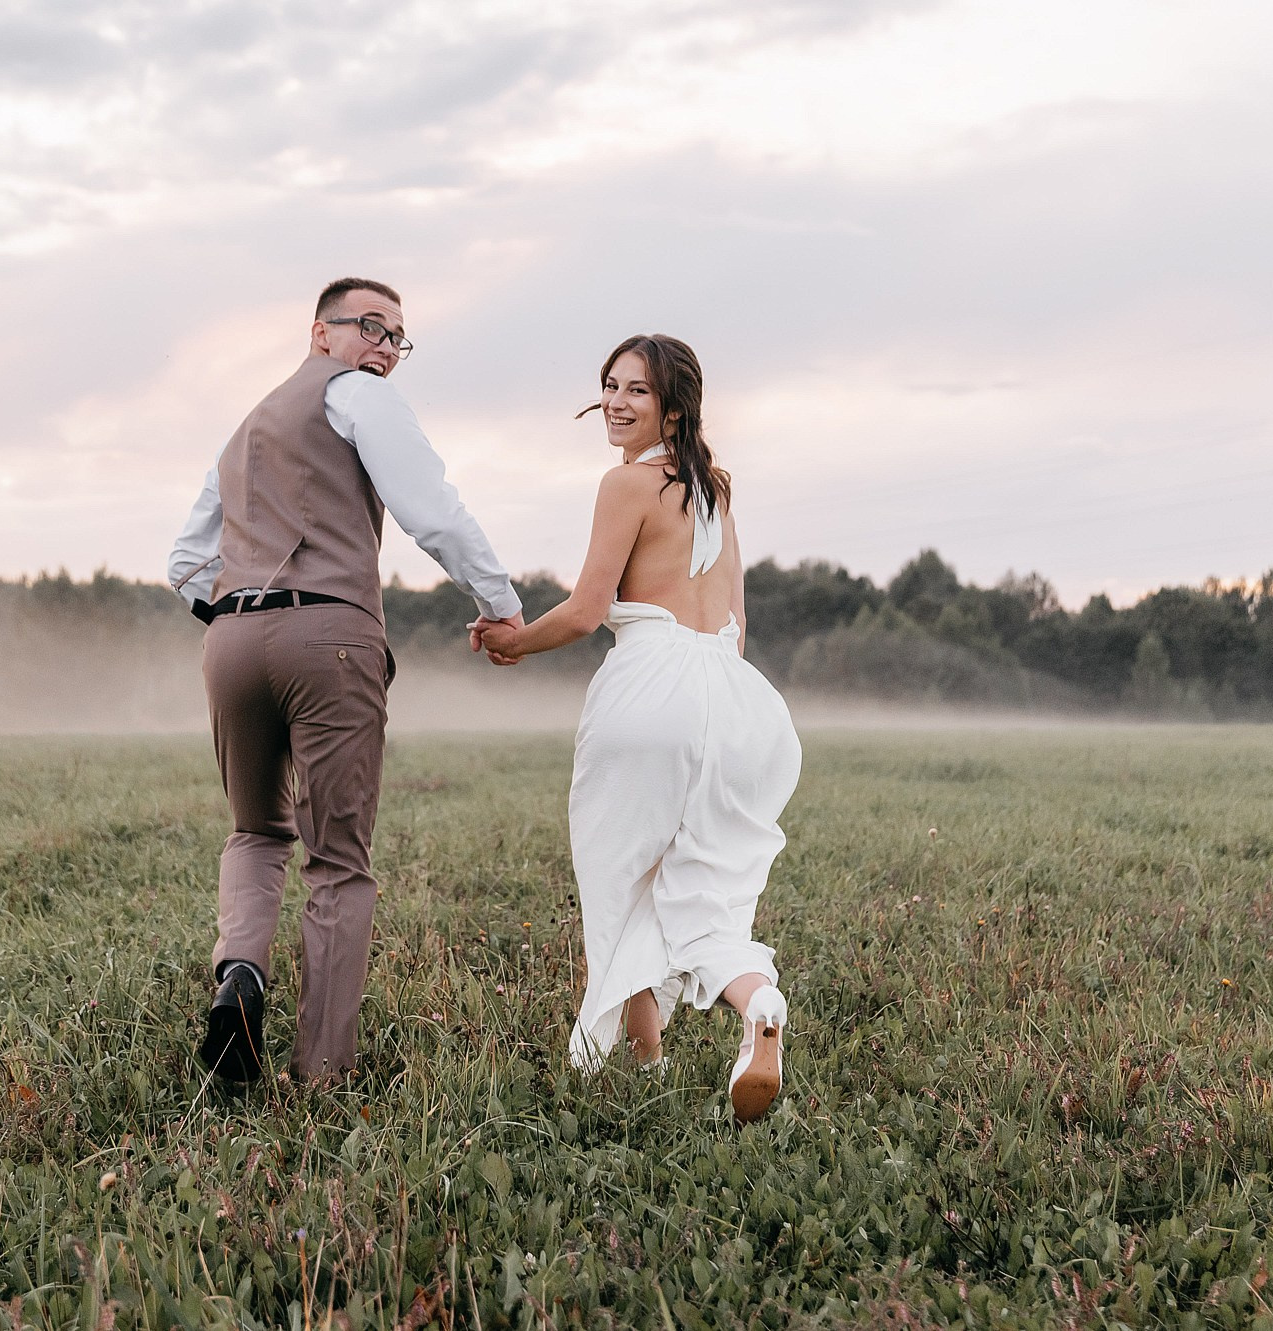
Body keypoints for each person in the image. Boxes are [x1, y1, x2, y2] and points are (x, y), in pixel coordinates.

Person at [167, 278, 523, 1084]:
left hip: (230, 642)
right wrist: (499, 604)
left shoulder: (245, 429)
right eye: (370, 326)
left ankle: (240, 973)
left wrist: (240, 613)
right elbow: (433, 510)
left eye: (397, 337)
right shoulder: (359, 396)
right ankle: (321, 1073)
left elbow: (184, 562)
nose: (385, 348)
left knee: (255, 831)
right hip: (330, 637)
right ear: (319, 332)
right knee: (338, 860)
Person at [472, 334, 800, 1123]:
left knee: (621, 885)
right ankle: (754, 1001)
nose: (616, 402)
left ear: (674, 409)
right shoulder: (715, 489)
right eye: (610, 385)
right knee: (696, 891)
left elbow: (587, 610)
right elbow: (737, 623)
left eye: (637, 391)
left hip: (651, 686)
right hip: (737, 702)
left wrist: (513, 641)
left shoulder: (626, 485)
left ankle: (646, 1063)